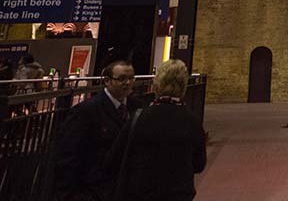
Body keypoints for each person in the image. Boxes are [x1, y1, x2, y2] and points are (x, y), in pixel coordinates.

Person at [107, 59, 206, 200]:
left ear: (157, 84)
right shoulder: (192, 121)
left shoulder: (139, 117)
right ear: (184, 86)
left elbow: (115, 157)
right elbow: (199, 164)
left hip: (142, 193)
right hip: (178, 194)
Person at [54, 60, 138, 201]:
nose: (128, 83)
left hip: (122, 189)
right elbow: (68, 155)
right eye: (122, 79)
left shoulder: (135, 107)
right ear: (107, 81)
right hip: (93, 190)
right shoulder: (86, 111)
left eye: (131, 78)